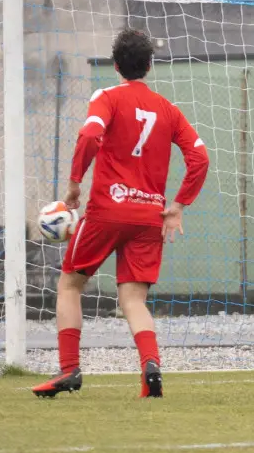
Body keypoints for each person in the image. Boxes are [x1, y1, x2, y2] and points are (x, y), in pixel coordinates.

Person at [32, 29, 210, 399]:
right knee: (133, 300)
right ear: (149, 65)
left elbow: (90, 135)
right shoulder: (168, 109)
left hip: (106, 212)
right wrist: (177, 207)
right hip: (149, 217)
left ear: (116, 66)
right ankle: (150, 367)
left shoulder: (107, 97)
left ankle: (69, 370)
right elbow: (200, 158)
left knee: (70, 284)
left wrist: (74, 184)